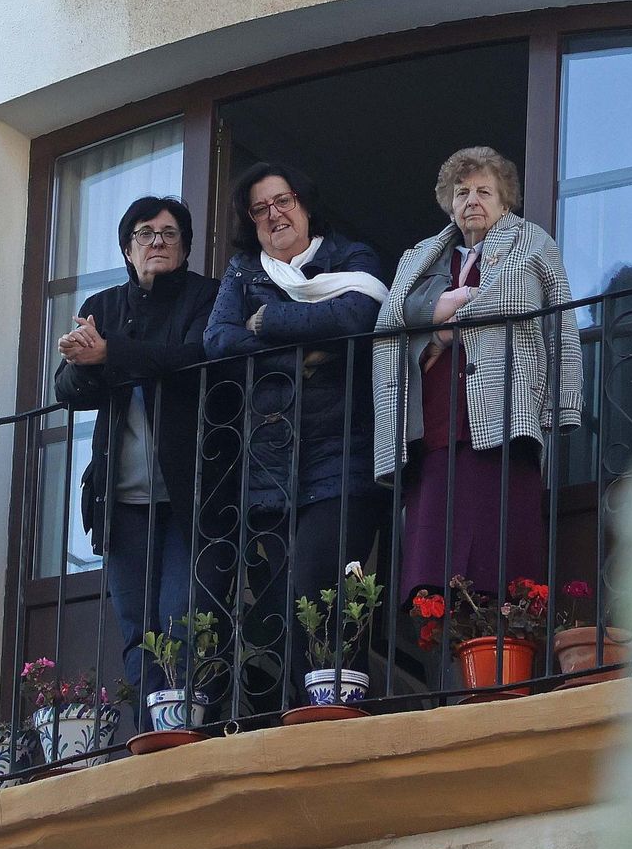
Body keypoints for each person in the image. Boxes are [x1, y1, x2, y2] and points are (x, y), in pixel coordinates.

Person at [203, 162, 390, 709]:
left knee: (322, 583)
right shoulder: (244, 272)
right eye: (260, 209)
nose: (274, 215)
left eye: (282, 201)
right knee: (283, 600)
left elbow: (357, 315)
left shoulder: (350, 257)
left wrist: (267, 323)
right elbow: (218, 340)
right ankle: (308, 709)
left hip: (345, 451)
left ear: (304, 204)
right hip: (271, 462)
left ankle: (338, 705)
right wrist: (299, 355)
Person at [54, 195, 235, 729]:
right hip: (122, 500)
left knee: (184, 617)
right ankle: (154, 733)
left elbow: (197, 357)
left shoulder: (207, 297)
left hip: (192, 496)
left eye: (169, 233)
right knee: (137, 627)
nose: (157, 242)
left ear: (185, 247)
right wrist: (82, 361)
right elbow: (68, 389)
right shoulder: (104, 306)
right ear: (127, 249)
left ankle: (187, 726)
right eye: (145, 233)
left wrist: (111, 354)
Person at [372, 146, 583, 604]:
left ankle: (505, 639)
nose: (472, 200)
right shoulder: (419, 257)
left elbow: (544, 315)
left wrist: (562, 403)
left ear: (505, 202)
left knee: (501, 558)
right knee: (433, 562)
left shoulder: (533, 244)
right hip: (434, 426)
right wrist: (434, 331)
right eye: (462, 192)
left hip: (508, 415)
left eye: (484, 191)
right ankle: (438, 636)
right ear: (449, 204)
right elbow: (389, 320)